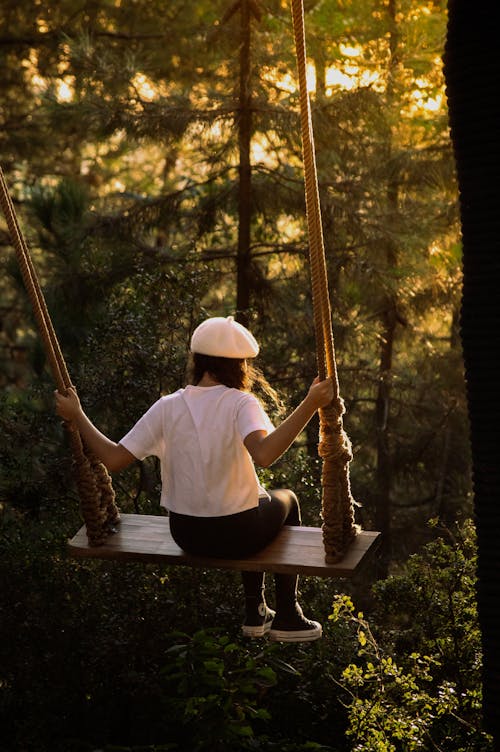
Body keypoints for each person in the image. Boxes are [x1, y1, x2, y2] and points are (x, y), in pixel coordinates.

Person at [55, 315, 333, 642]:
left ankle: (256, 610)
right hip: (237, 535)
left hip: (186, 534)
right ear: (239, 366)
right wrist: (311, 403)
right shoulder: (241, 402)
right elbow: (265, 455)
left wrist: (77, 415)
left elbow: (114, 459)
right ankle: (288, 614)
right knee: (286, 499)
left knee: (254, 498)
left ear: (197, 361)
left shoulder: (167, 406)